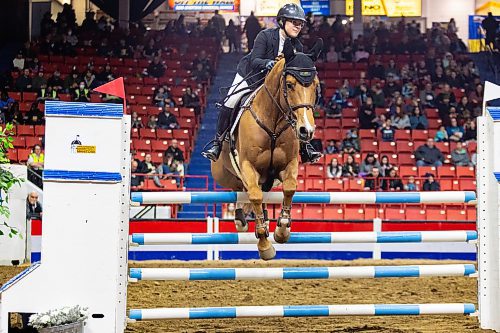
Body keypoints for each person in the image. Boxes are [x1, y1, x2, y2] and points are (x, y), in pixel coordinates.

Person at [201, 3, 321, 164]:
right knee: (230, 101)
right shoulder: (265, 36)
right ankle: (217, 142)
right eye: (294, 22)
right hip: (252, 75)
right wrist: (268, 63)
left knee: (293, 107)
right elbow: (254, 59)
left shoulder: (297, 45)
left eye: (300, 24)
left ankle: (304, 147)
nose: (298, 26)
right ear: (282, 22)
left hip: (274, 85)